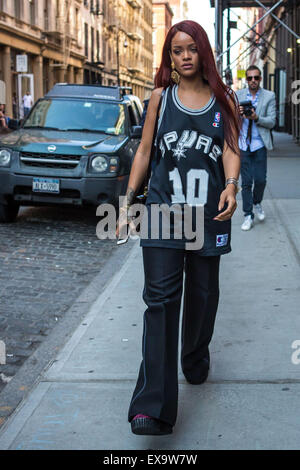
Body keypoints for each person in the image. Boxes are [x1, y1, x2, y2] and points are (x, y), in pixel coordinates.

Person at [116, 20, 241, 436]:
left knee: (202, 299)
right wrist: (127, 199)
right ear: (169, 57)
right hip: (163, 213)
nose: (184, 56)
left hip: (209, 214)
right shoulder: (159, 99)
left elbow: (230, 150)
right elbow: (145, 151)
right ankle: (151, 406)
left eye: (190, 49)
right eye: (176, 50)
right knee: (160, 303)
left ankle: (195, 357)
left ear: (202, 52)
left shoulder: (224, 99)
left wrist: (231, 186)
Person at [236, 65, 276, 231]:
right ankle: (248, 215)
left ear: (260, 79)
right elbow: (229, 119)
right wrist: (236, 113)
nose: (253, 80)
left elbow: (272, 121)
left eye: (256, 78)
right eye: (250, 78)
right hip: (244, 145)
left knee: (260, 180)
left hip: (259, 145)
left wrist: (256, 117)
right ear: (246, 79)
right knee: (246, 182)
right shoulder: (238, 95)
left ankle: (257, 202)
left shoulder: (269, 96)